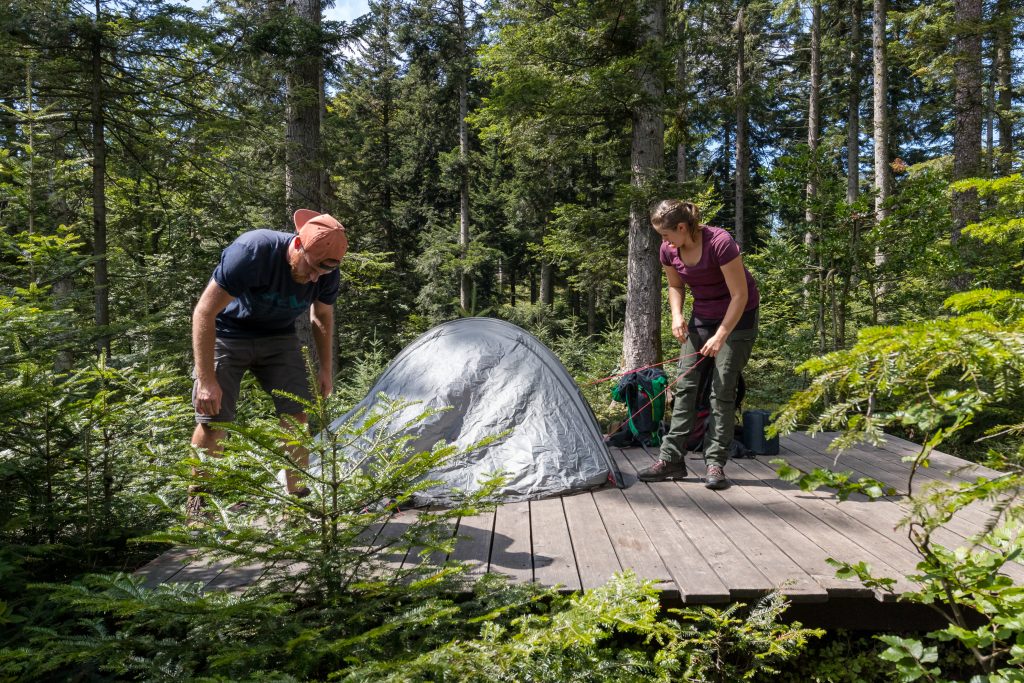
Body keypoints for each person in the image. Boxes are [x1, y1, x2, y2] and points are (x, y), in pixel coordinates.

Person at [188, 209, 348, 514]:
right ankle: (200, 507)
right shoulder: (251, 252)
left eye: (323, 274)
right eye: (312, 268)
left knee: (297, 415)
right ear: (298, 245)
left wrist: (325, 370)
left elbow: (322, 316)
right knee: (214, 420)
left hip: (278, 337)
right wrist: (207, 380)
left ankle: (298, 501)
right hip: (227, 334)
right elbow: (204, 313)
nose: (314, 278)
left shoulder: (328, 269)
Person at [637, 200, 760, 490]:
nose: (663, 241)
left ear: (682, 227)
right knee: (686, 385)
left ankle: (715, 462)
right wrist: (677, 316)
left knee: (722, 389)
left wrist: (721, 336)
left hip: (738, 319)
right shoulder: (669, 250)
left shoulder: (720, 243)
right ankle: (671, 460)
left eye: (666, 234)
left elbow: (740, 295)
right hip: (702, 318)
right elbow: (675, 285)